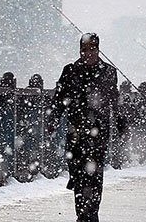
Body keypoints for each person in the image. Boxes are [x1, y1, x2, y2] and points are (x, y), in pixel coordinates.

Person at [47, 33, 119, 222]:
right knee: (78, 176)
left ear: (98, 49)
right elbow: (59, 100)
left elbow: (114, 99)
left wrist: (120, 118)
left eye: (92, 49)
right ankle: (83, 213)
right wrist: (53, 119)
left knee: (94, 176)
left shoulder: (108, 72)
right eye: (84, 50)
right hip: (76, 134)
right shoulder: (70, 71)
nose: (88, 53)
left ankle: (90, 215)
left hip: (98, 133)